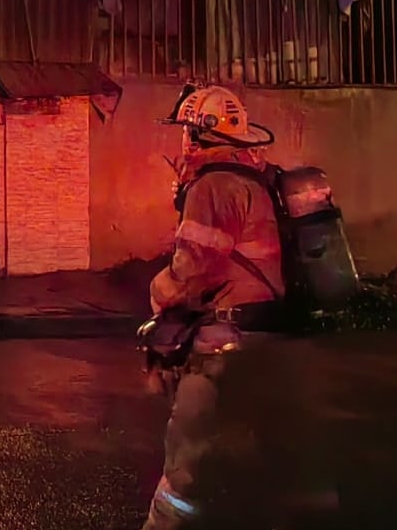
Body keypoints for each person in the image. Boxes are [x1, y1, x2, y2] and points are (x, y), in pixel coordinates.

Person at [141, 83, 290, 529]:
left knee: (184, 472)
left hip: (222, 346)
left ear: (198, 133)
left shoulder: (213, 185)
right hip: (264, 342)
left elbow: (193, 272)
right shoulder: (253, 179)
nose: (182, 141)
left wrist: (156, 294)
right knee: (256, 466)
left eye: (185, 131)